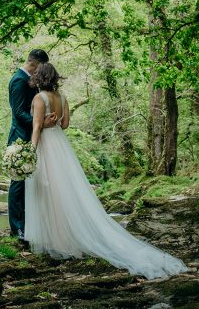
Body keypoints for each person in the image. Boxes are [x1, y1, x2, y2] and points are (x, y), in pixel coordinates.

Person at [25, 63, 188, 279]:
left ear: (39, 78)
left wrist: (29, 153)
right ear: (54, 78)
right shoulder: (62, 97)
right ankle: (64, 239)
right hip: (61, 147)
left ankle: (57, 241)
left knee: (49, 191)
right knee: (63, 191)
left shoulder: (39, 99)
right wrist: (51, 123)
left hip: (46, 146)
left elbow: (37, 128)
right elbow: (64, 125)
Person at [7, 49, 57, 242]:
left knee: (33, 182)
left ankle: (30, 225)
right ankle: (17, 229)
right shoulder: (19, 80)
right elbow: (19, 113)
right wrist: (41, 122)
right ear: (35, 65)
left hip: (33, 136)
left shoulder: (28, 80)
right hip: (20, 137)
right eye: (41, 68)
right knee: (18, 183)